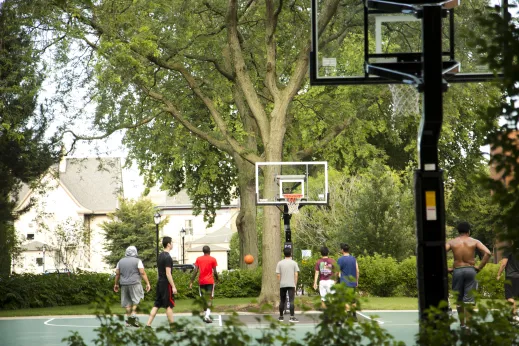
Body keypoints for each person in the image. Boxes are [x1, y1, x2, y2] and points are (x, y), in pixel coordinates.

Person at [446, 221, 491, 329]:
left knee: (459, 300)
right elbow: (488, 253)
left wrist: (446, 269)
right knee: (469, 300)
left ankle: (462, 324)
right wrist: (479, 267)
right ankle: (469, 326)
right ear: (469, 231)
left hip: (457, 270)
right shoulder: (474, 241)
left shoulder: (452, 242)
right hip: (470, 270)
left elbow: (438, 253)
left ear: (458, 231)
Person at [145, 237, 180, 331]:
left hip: (160, 282)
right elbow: (168, 273)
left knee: (156, 304)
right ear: (168, 244)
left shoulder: (160, 256)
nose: (172, 244)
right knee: (169, 305)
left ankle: (148, 325)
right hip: (166, 284)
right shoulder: (167, 257)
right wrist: (173, 286)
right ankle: (173, 327)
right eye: (171, 242)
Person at [113, 246, 151, 327]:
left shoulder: (120, 261)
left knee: (127, 303)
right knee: (136, 300)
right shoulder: (138, 261)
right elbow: (142, 272)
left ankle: (129, 320)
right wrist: (147, 283)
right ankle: (133, 316)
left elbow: (117, 274)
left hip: (124, 284)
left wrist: (116, 284)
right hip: (135, 283)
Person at [189, 245, 218, 323]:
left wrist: (191, 281)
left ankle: (206, 315)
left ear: (203, 251)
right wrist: (217, 279)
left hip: (201, 282)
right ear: (209, 251)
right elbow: (215, 272)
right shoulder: (213, 259)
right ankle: (207, 316)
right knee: (209, 299)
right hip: (210, 281)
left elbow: (195, 271)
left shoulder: (198, 259)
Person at [276, 247, 300, 323]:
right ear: (291, 253)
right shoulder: (294, 263)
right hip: (291, 284)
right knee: (291, 301)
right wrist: (295, 284)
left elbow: (278, 275)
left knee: (282, 300)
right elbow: (296, 274)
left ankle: (281, 317)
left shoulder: (280, 263)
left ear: (284, 254)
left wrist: (281, 281)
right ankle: (292, 317)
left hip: (282, 284)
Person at [496, 245, 519, 322]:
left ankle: (514, 316)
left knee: (509, 297)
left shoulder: (508, 250)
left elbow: (503, 264)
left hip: (511, 276)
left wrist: (498, 274)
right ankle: (512, 314)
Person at [337, 243, 359, 321]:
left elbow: (337, 271)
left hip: (344, 282)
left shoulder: (340, 259)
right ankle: (354, 316)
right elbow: (357, 270)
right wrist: (357, 281)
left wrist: (337, 277)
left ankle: (347, 314)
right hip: (352, 282)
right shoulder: (353, 259)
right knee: (353, 300)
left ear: (342, 250)